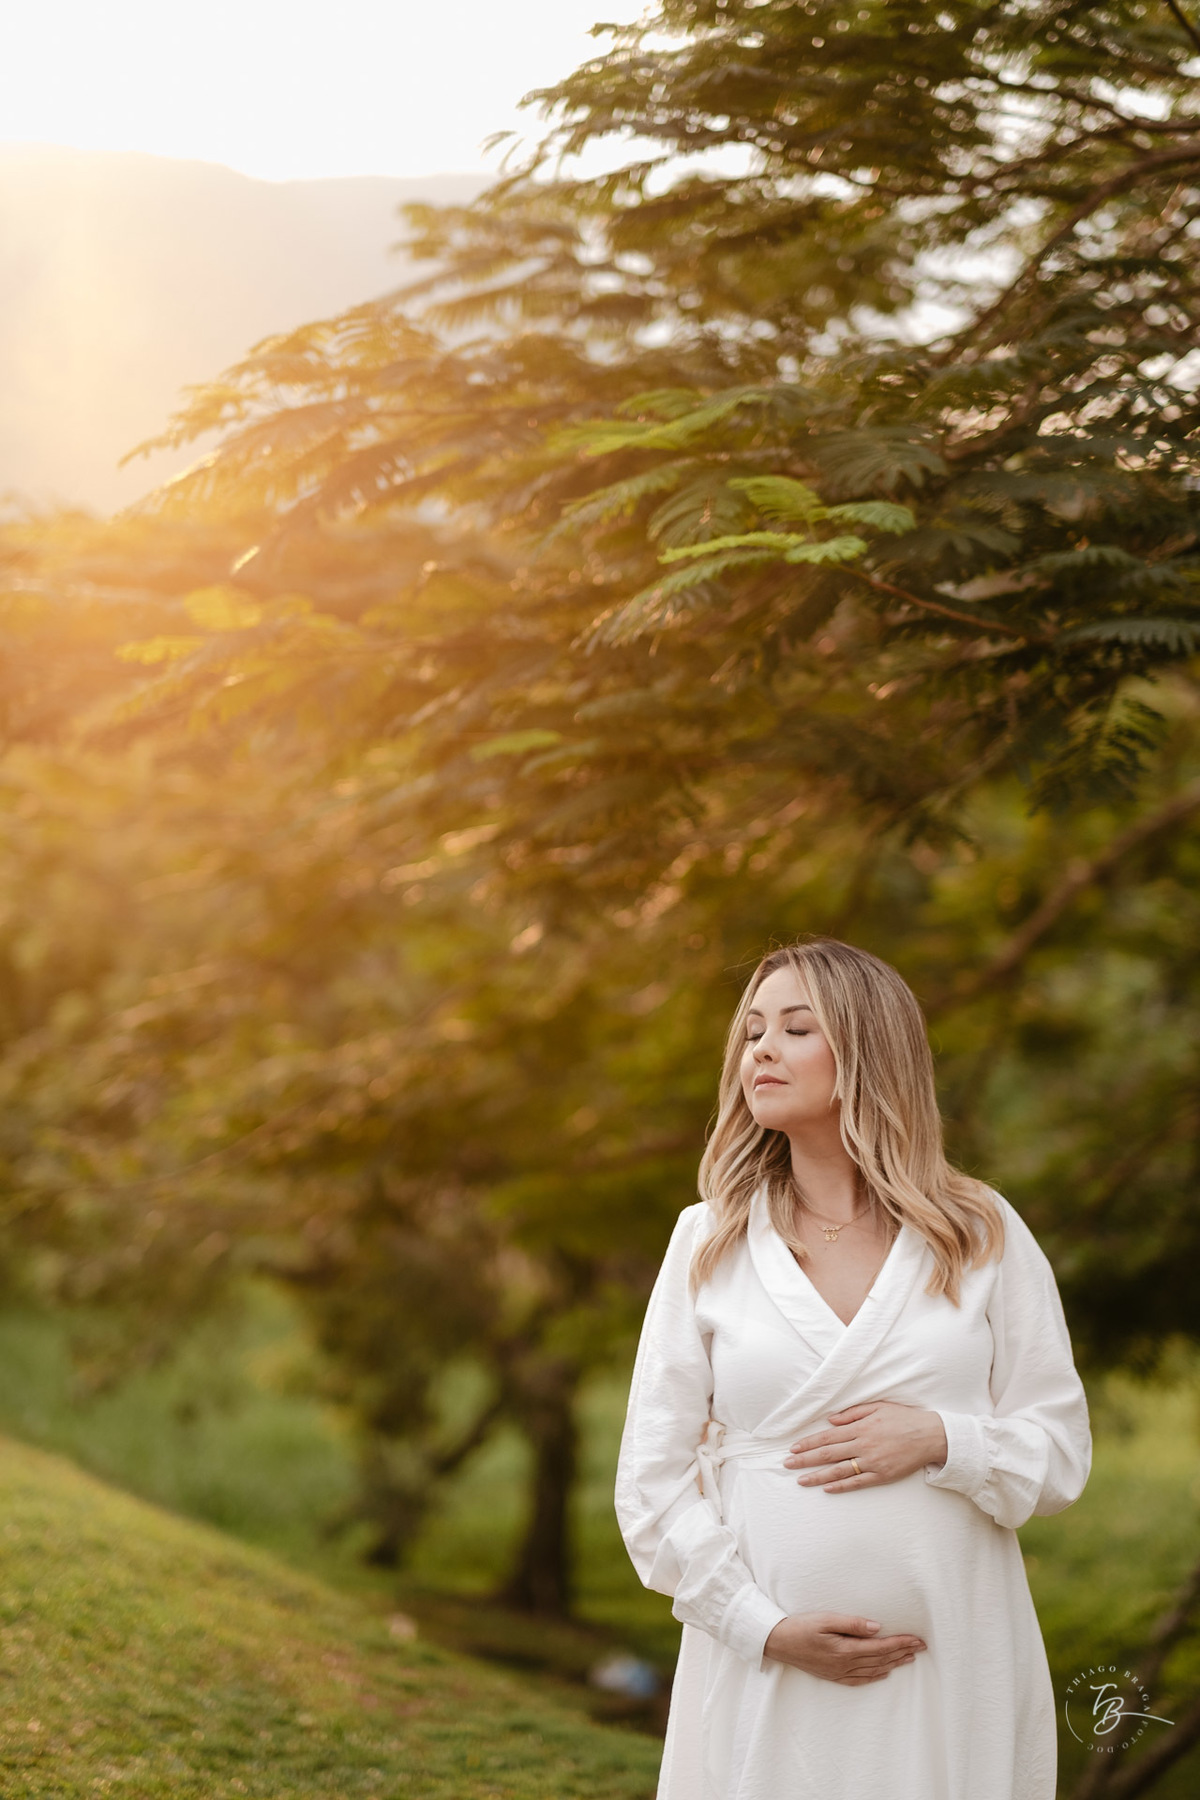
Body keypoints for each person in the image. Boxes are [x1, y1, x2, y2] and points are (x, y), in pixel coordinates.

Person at [614, 938, 1092, 1800]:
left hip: (955, 1651)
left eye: (797, 1028)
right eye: (753, 1029)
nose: (760, 1048)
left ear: (869, 1050)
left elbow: (1057, 1453)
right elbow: (651, 1487)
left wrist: (942, 1439)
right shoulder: (710, 1238)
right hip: (764, 1665)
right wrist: (762, 1627)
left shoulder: (980, 1232)